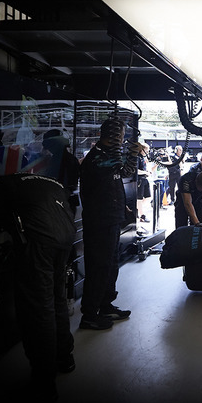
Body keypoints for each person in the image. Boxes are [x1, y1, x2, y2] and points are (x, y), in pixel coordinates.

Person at [0, 172, 77, 403]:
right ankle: (65, 358)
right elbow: (70, 203)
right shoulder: (50, 180)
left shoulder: (4, 184)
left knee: (38, 308)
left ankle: (44, 382)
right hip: (65, 236)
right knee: (57, 297)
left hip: (40, 243)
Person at [79, 117, 141, 330]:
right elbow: (124, 172)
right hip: (100, 222)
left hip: (112, 218)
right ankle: (89, 314)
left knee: (111, 264)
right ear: (115, 136)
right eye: (122, 135)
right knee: (99, 266)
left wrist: (122, 206)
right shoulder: (98, 158)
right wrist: (133, 154)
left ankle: (105, 305)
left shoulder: (107, 156)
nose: (123, 139)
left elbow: (112, 183)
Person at [39, 129, 80, 213]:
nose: (48, 149)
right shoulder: (69, 158)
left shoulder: (59, 160)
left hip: (61, 201)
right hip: (65, 201)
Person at [136, 142, 154, 223]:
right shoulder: (137, 158)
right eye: (146, 150)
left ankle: (137, 209)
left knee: (148, 197)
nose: (147, 152)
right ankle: (141, 214)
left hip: (144, 179)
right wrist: (145, 172)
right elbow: (136, 171)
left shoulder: (142, 158)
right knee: (139, 199)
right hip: (140, 179)